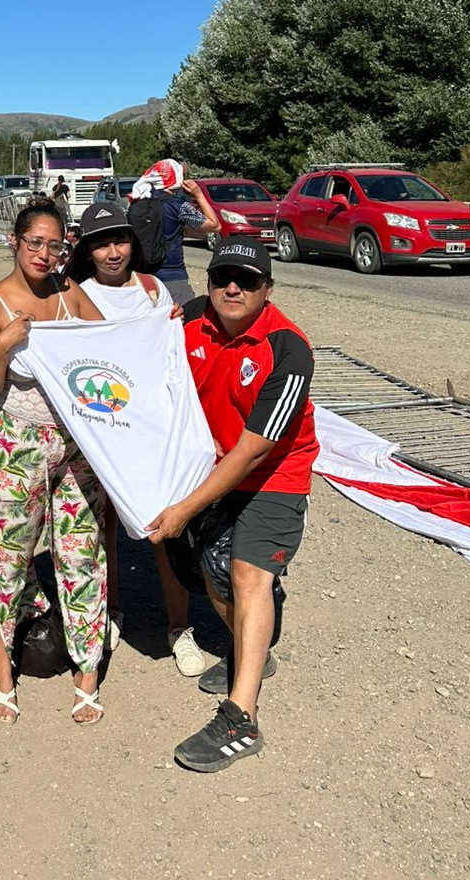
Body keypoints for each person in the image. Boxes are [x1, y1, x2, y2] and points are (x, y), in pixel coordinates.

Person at [146, 237, 318, 772]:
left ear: (269, 288)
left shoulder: (289, 350)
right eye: (222, 277)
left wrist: (181, 510)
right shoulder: (190, 317)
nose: (233, 288)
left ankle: (241, 718)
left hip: (271, 474)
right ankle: (253, 644)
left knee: (245, 574)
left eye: (247, 280)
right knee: (212, 572)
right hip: (213, 466)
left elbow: (251, 453)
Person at [0, 198, 109, 726]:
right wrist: (3, 346)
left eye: (55, 245)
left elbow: (110, 348)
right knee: (10, 557)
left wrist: (159, 327)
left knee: (80, 552)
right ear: (15, 242)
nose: (45, 254)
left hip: (75, 447)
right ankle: (3, 665)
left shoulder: (72, 295)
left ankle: (86, 667)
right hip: (15, 446)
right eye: (35, 243)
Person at [62, 202, 205, 672]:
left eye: (119, 240)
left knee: (166, 527)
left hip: (150, 427)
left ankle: (180, 628)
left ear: (133, 243)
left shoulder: (152, 289)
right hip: (100, 428)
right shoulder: (75, 294)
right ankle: (109, 612)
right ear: (87, 249)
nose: (112, 251)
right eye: (101, 243)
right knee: (104, 529)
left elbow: (168, 357)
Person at [131, 159, 220, 305]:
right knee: (186, 319)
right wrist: (199, 195)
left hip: (142, 274)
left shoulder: (137, 202)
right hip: (173, 274)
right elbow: (214, 225)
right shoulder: (177, 206)